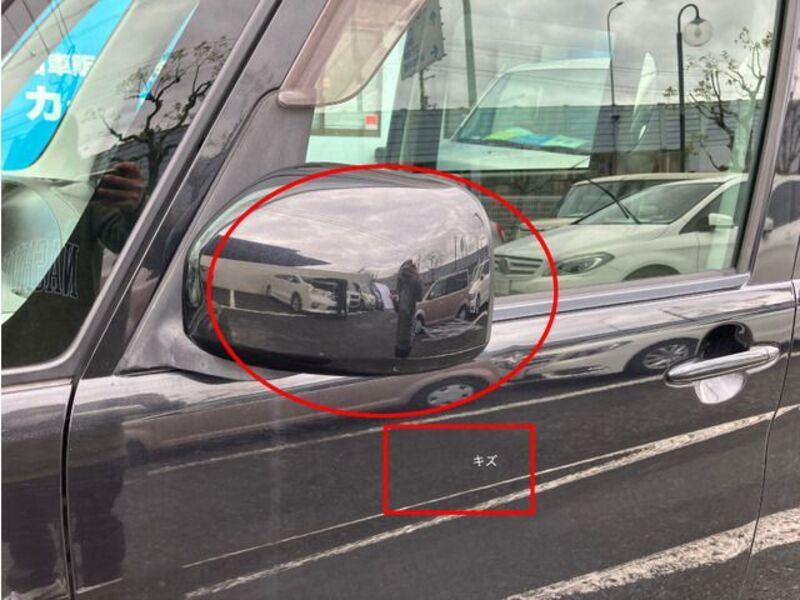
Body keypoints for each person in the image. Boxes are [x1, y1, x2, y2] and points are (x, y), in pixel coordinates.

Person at [394, 259, 423, 358]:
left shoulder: (400, 278)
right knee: (408, 332)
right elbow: (419, 297)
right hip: (409, 313)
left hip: (402, 314)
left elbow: (397, 301)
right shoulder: (416, 278)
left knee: (401, 334)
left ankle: (399, 353)